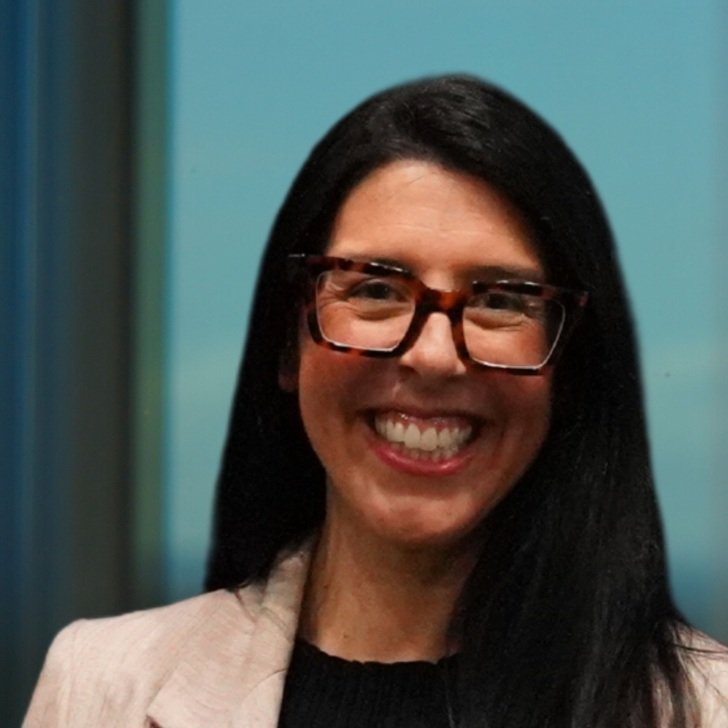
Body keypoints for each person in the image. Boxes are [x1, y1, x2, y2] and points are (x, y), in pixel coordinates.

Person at [24, 74, 727, 728]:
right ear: (286, 339)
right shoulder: (103, 687)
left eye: (502, 300)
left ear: (571, 367)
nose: (431, 354)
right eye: (375, 289)